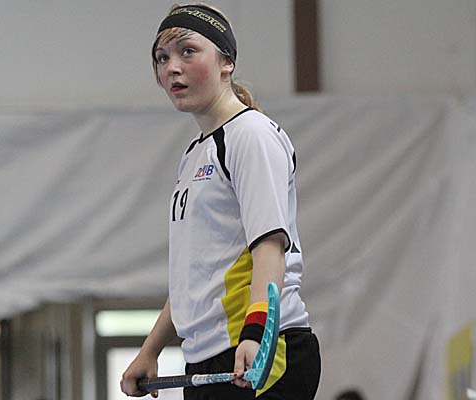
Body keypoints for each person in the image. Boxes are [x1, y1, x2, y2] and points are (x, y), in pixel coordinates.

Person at [120, 3, 321, 399]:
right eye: (162, 58)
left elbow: (269, 247)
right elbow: (194, 276)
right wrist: (150, 350)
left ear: (226, 61)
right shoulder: (194, 154)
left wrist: (256, 332)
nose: (171, 67)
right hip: (206, 359)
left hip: (263, 350)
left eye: (187, 51)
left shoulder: (251, 135)